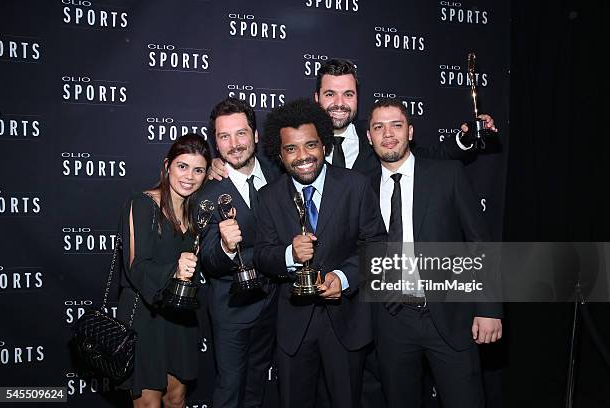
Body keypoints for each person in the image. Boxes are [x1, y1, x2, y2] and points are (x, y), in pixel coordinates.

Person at [366, 98, 502, 408]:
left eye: (396, 125)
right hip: (391, 320)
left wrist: (489, 308)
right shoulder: (362, 186)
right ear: (369, 137)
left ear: (410, 132)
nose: (388, 134)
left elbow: (480, 242)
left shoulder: (447, 174)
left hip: (450, 315)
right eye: (379, 127)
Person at [254, 98, 387, 408]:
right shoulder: (269, 197)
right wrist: (289, 255)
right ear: (279, 153)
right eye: (291, 149)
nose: (303, 157)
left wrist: (344, 277)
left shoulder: (356, 186)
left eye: (311, 145)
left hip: (346, 325)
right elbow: (262, 255)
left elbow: (377, 245)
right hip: (293, 328)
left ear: (324, 144)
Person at [207, 58, 497, 181]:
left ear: (358, 97)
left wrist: (467, 138)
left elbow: (433, 155)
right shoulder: (289, 145)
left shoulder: (378, 140)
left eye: (348, 94)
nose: (339, 103)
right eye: (330, 94)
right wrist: (221, 166)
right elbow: (253, 170)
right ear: (317, 98)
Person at [195, 97, 282, 408]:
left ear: (255, 135)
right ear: (215, 143)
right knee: (230, 391)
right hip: (232, 310)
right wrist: (224, 246)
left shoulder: (278, 172)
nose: (234, 144)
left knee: (256, 388)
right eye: (223, 136)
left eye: (241, 133)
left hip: (274, 306)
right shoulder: (207, 192)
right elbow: (208, 259)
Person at [116, 133, 211, 408]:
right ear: (167, 165)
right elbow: (136, 268)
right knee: (148, 403)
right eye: (182, 166)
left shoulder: (197, 213)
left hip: (180, 318)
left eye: (199, 169)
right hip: (145, 316)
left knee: (176, 398)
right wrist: (174, 268)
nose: (189, 176)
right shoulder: (142, 204)